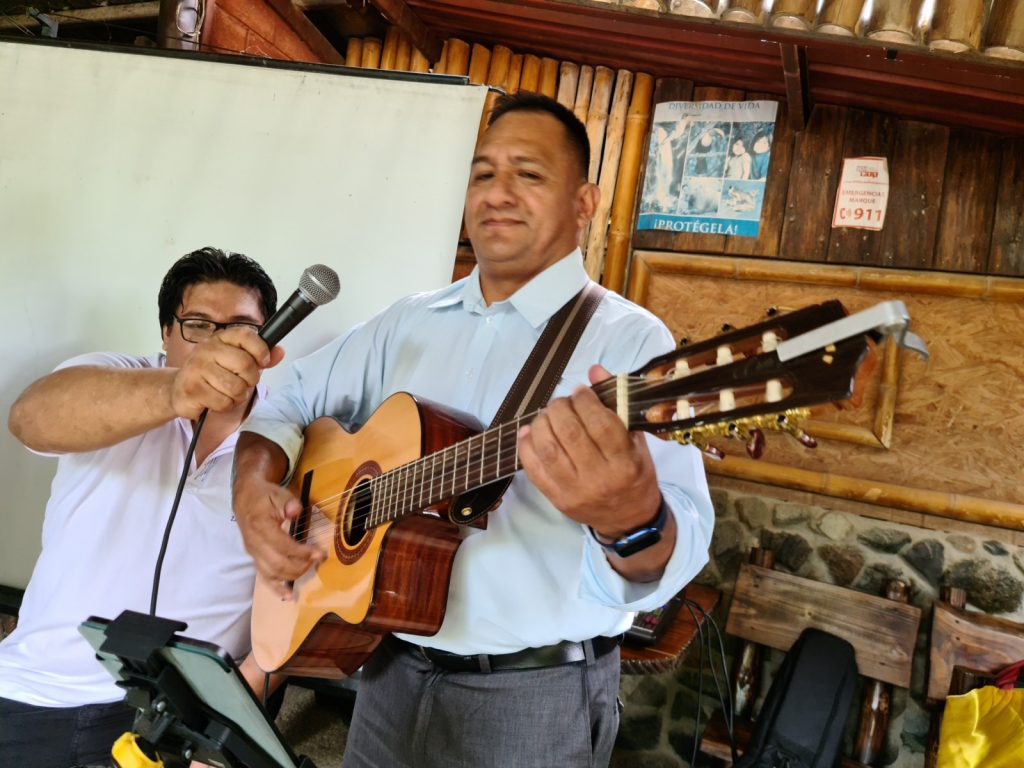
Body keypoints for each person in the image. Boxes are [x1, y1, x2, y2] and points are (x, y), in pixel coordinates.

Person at [232, 93, 715, 768]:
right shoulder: (409, 321)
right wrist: (252, 490)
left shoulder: (630, 344)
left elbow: (676, 549)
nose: (498, 192)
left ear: (584, 204)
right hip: (387, 670)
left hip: (533, 696)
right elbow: (284, 399)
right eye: (483, 173)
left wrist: (630, 520)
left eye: (528, 173)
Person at [0, 247, 282, 766]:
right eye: (199, 326)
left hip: (186, 719)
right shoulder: (112, 377)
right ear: (166, 333)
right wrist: (176, 391)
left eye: (242, 328)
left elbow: (295, 602)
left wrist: (232, 728)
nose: (222, 344)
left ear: (270, 349)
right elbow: (29, 419)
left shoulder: (291, 436)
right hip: (35, 691)